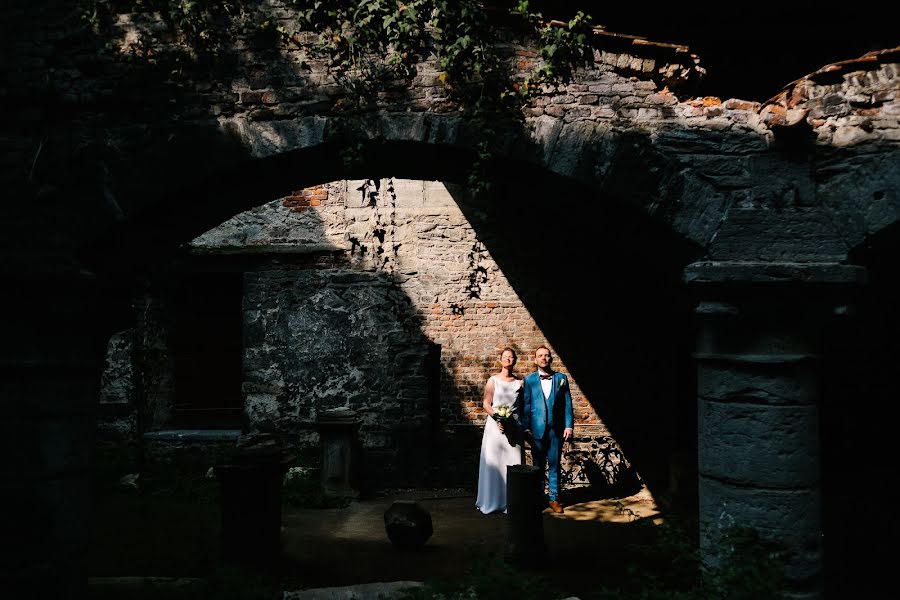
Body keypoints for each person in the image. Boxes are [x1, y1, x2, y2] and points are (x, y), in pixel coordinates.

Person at [520, 345, 573, 514]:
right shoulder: (529, 380)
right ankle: (538, 498)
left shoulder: (561, 378)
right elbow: (526, 405)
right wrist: (526, 427)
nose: (544, 358)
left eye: (547, 355)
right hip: (536, 429)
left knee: (555, 464)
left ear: (551, 359)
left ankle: (554, 499)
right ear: (535, 359)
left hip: (556, 429)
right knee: (538, 465)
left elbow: (567, 404)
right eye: (540, 355)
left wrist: (569, 425)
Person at [475, 348, 524, 514]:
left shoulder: (520, 383)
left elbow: (522, 407)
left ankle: (511, 502)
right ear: (500, 360)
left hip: (514, 428)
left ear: (515, 360)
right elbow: (486, 404)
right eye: (505, 357)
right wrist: (498, 419)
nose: (508, 360)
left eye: (511, 357)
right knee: (494, 462)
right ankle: (491, 501)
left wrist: (514, 423)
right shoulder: (493, 380)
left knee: (513, 463)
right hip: (495, 428)